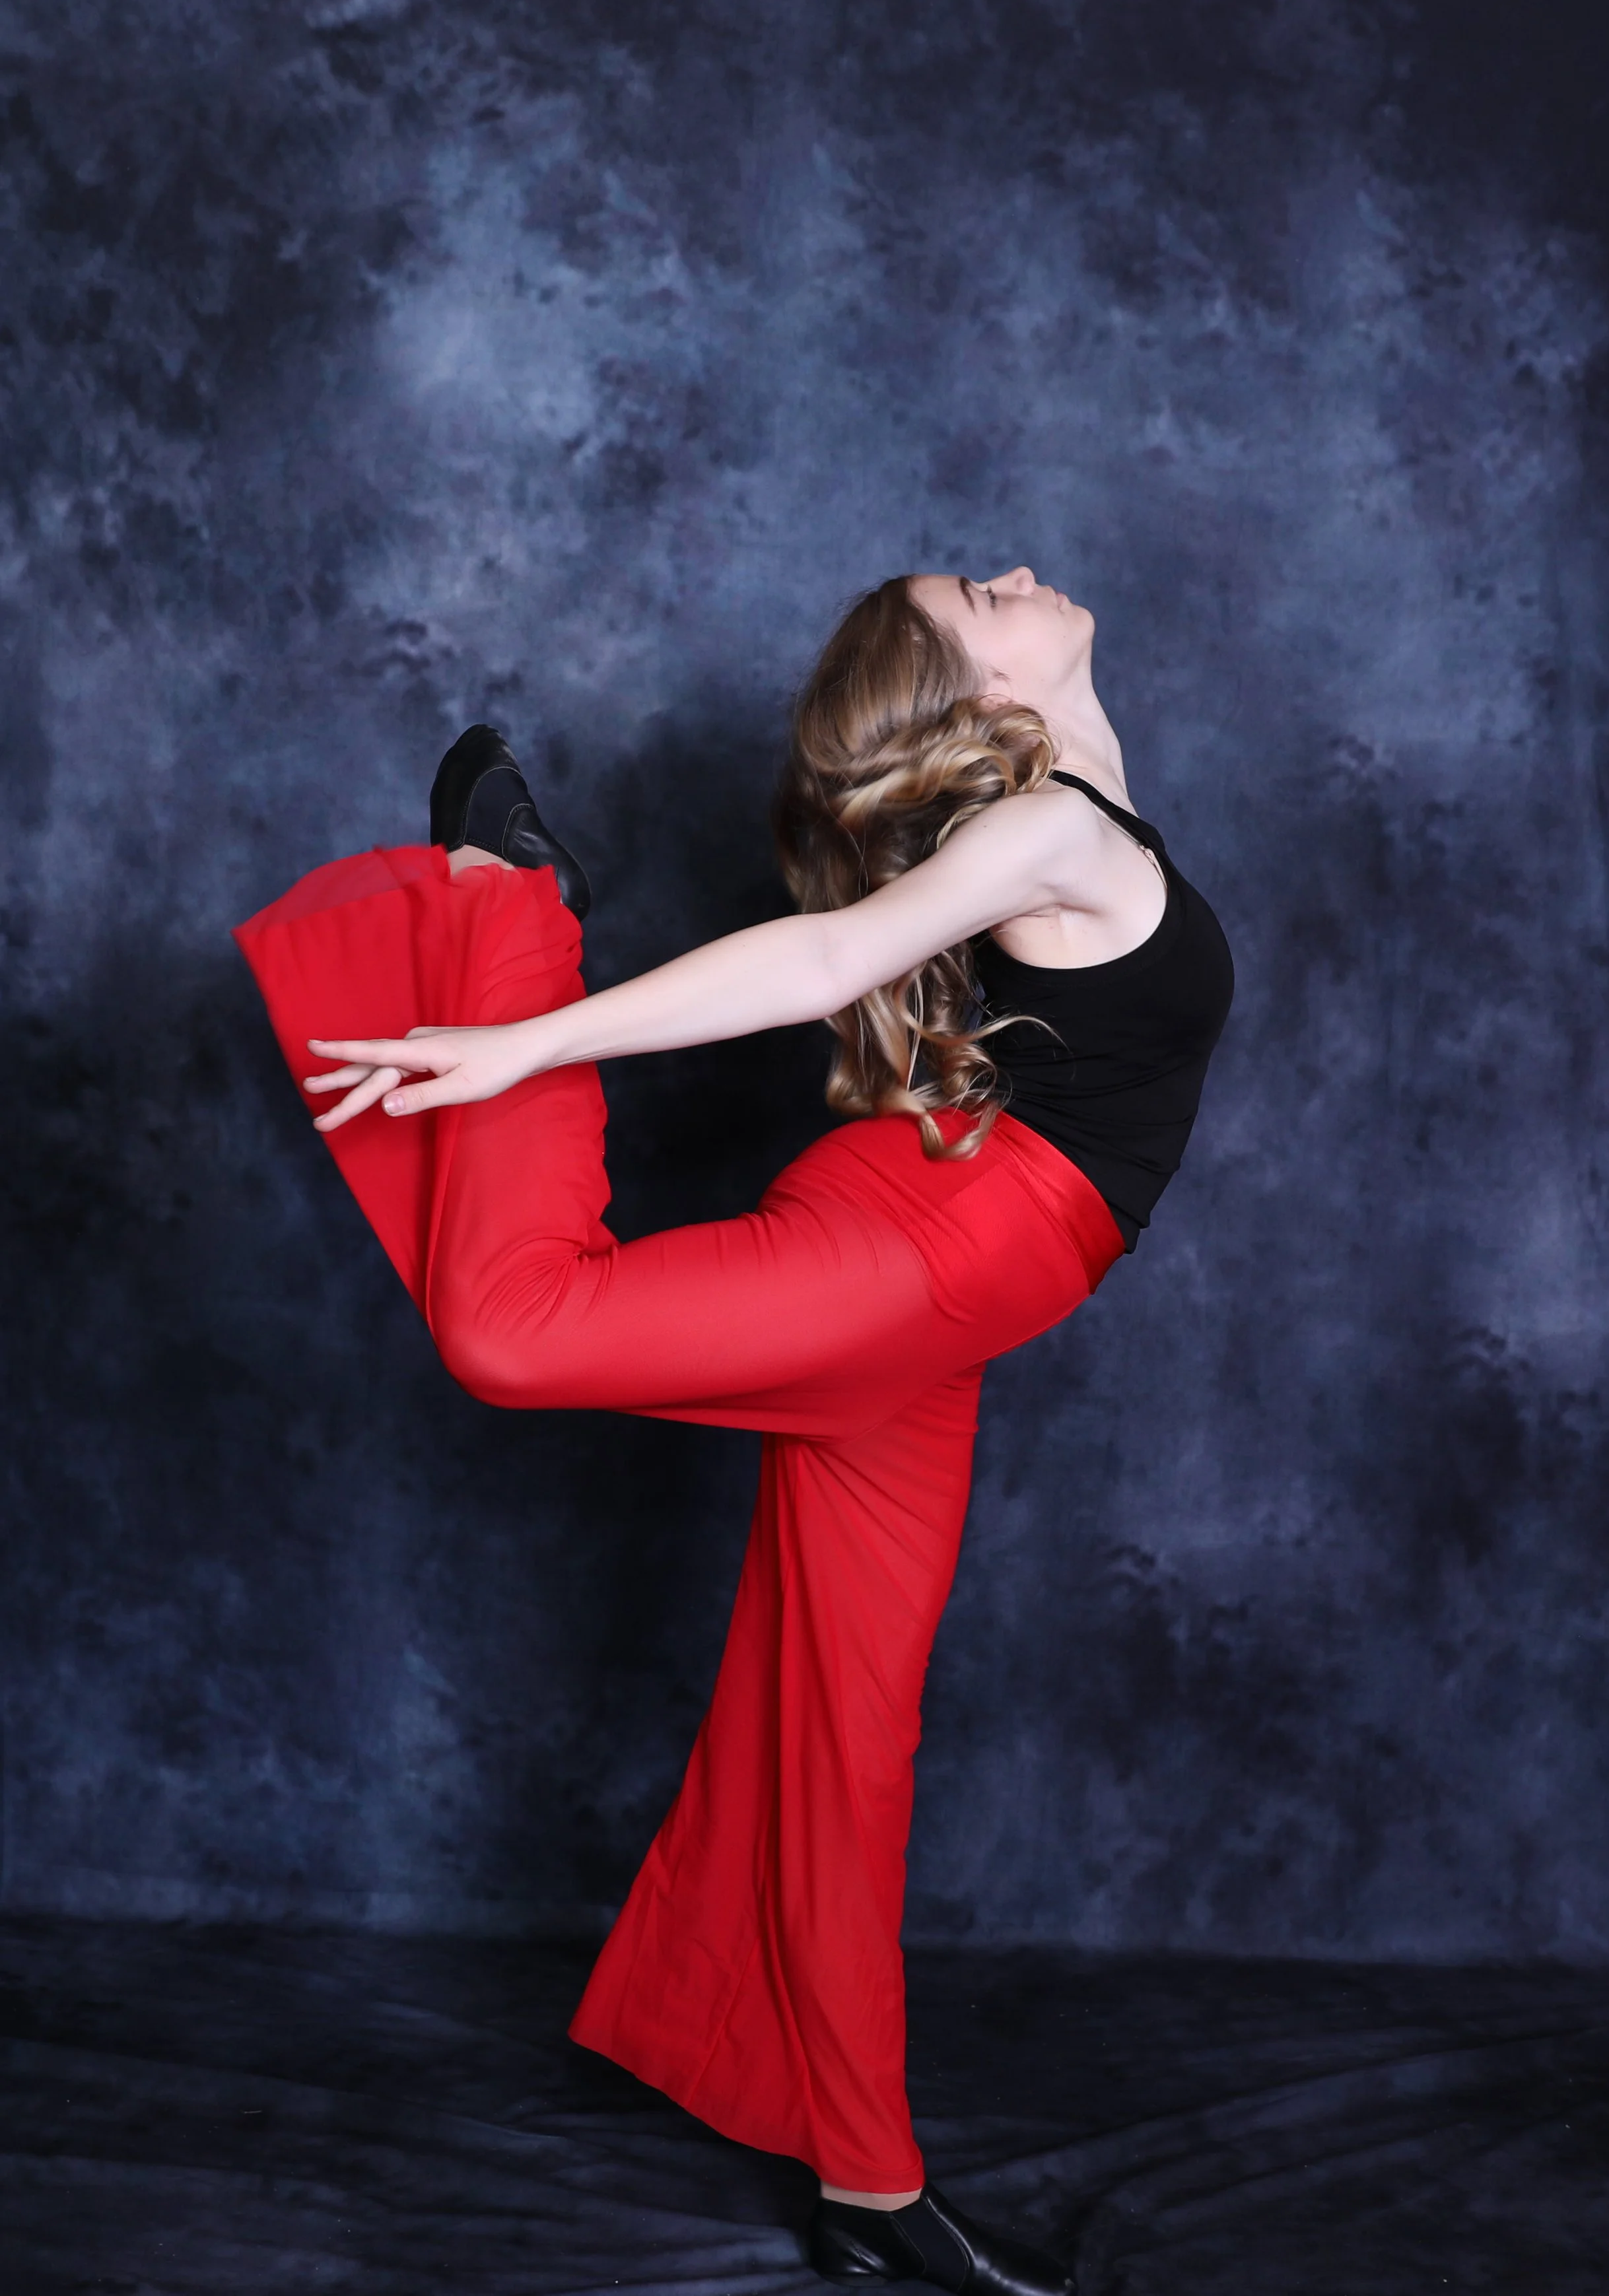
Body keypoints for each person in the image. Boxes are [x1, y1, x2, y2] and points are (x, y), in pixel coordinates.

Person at [235, 568, 1233, 2295]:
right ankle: (506, 899)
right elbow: (831, 958)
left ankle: (866, 2185)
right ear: (982, 695)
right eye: (976, 596)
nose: (1013, 573)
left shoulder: (1078, 776)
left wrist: (981, 719)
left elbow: (914, 909)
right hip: (928, 1253)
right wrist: (523, 1044)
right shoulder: (1053, 829)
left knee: (850, 1733)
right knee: (509, 1327)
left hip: (946, 1271)